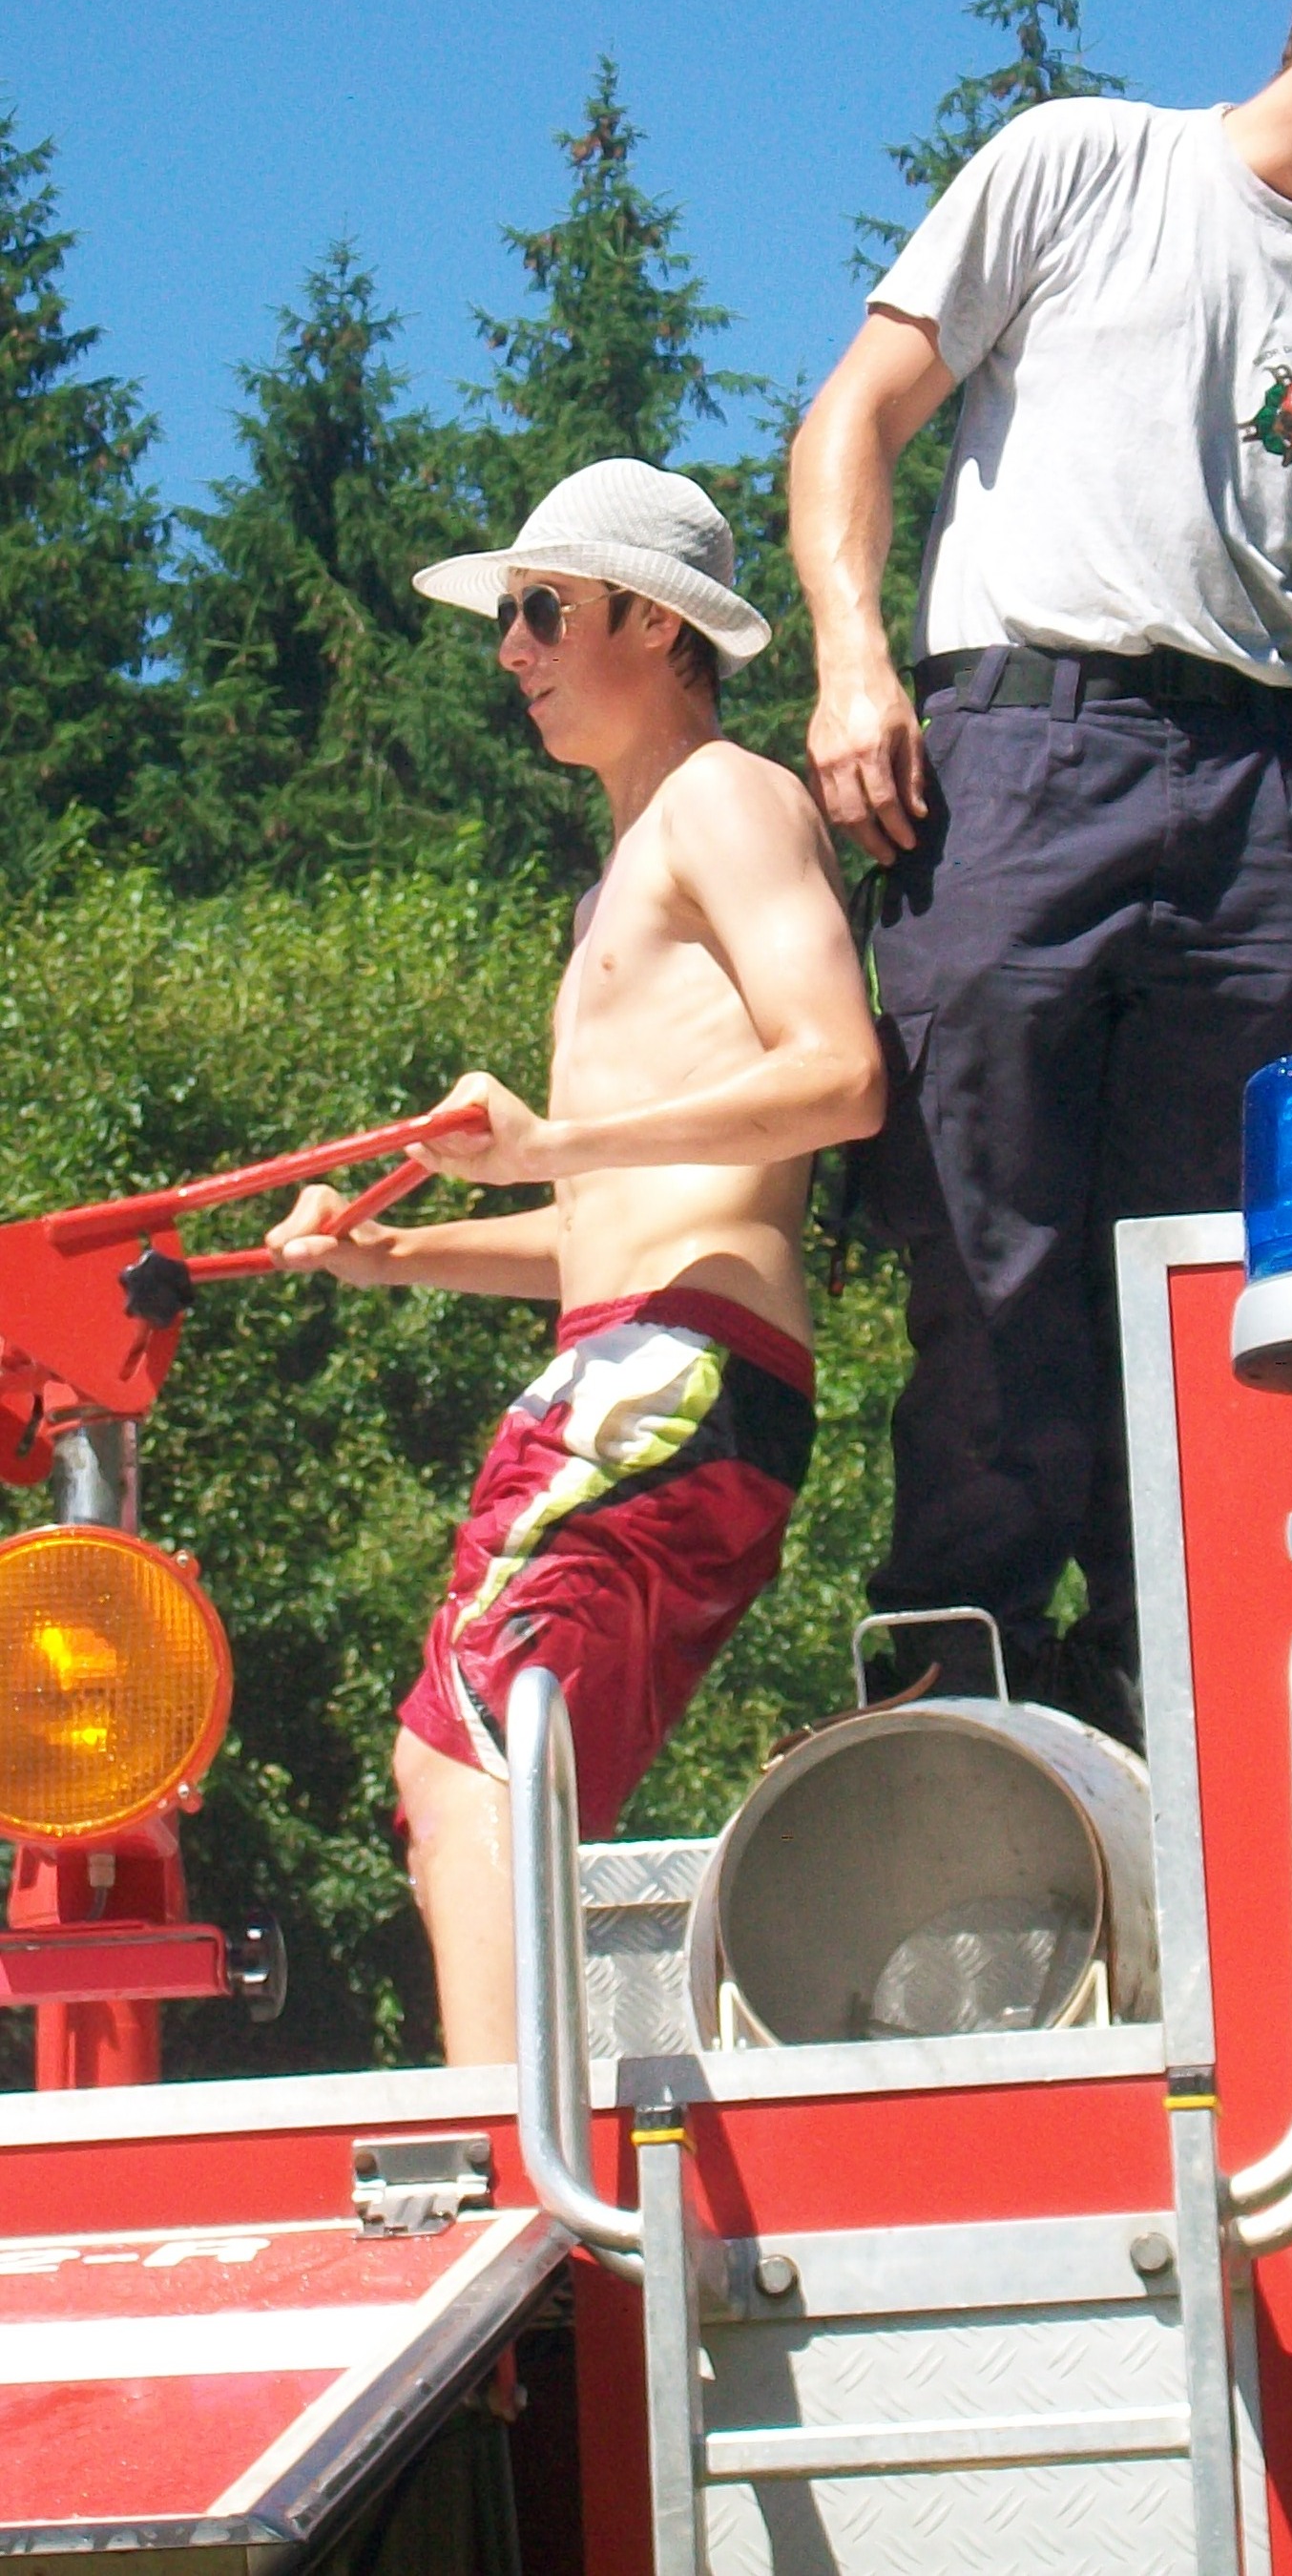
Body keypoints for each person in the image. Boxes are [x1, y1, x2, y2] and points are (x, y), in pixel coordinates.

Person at [788, 0, 1292, 1744]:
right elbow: (855, 417)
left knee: (1209, 1275)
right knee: (987, 1242)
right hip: (1019, 750)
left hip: (1261, 809)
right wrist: (851, 660)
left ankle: (1160, 1701)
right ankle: (947, 1702)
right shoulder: (1082, 162)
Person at [265, 459, 886, 2063]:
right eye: (511, 615)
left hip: (665, 1375)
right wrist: (395, 1249)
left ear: (655, 620)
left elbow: (842, 1074)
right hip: (656, 1368)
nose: (511, 648)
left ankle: (509, 2164)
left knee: (464, 1759)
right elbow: (607, 1223)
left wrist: (552, 1143)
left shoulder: (727, 797)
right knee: (503, 1771)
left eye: (542, 608)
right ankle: (531, 2140)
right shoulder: (629, 870)